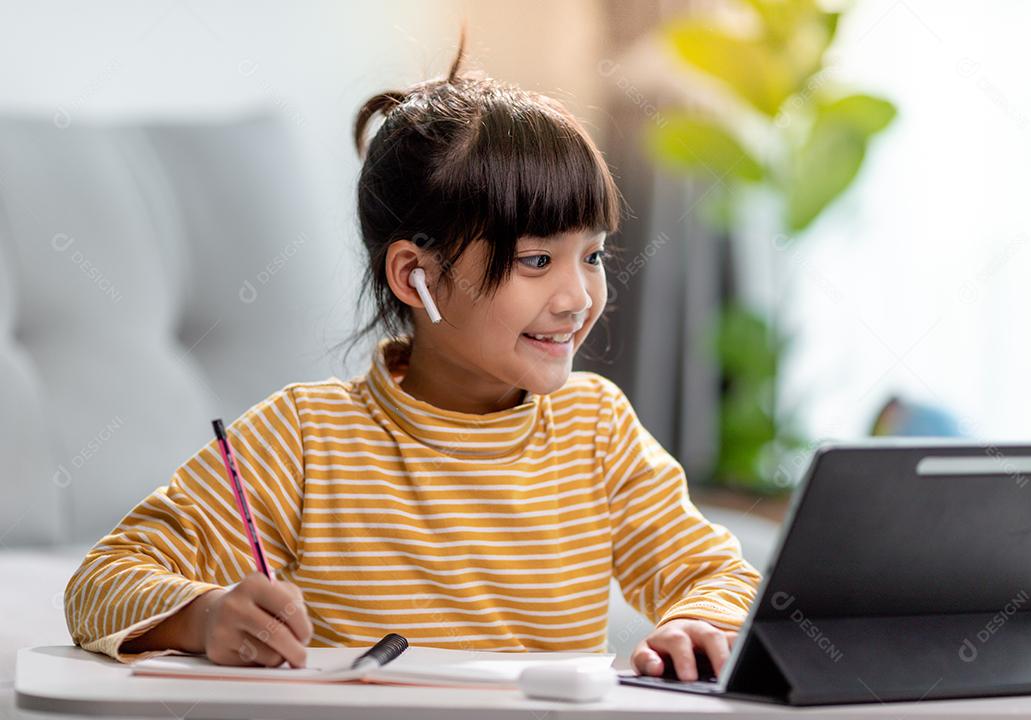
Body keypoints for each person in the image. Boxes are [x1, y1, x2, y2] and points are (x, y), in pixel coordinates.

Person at [64, 38, 760, 683]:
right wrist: (207, 616)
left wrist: (698, 621)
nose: (578, 296)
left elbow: (725, 577)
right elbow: (101, 584)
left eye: (594, 255)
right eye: (536, 260)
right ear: (414, 276)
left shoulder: (597, 429)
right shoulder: (304, 437)